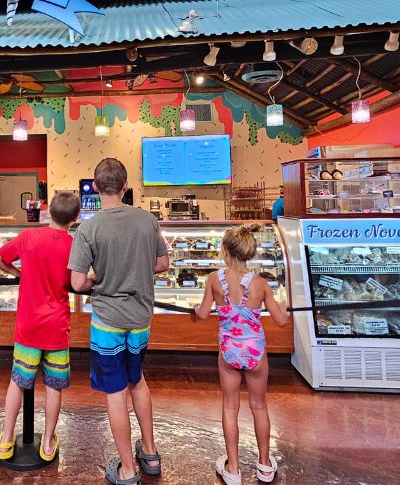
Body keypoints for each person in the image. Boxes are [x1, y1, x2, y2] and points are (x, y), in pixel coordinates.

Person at [69, 159, 169, 485]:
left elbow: (78, 282)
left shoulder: (88, 228)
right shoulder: (147, 220)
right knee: (137, 380)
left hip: (107, 321)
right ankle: (150, 453)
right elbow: (163, 264)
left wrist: (101, 276)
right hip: (141, 318)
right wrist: (137, 269)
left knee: (115, 392)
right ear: (125, 187)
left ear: (96, 188)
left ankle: (127, 470)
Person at [192, 224, 289, 485]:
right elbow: (281, 320)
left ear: (225, 251)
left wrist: (194, 308)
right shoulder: (261, 284)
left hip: (229, 351)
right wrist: (286, 307)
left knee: (230, 406)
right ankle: (265, 466)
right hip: (255, 351)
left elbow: (202, 314)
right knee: (259, 406)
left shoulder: (214, 279)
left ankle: (233, 469)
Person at [0, 192, 81, 463]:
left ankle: (7, 439)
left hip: (28, 327)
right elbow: (77, 282)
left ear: (48, 212)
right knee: (54, 386)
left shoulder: (29, 236)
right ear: (75, 219)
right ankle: (47, 442)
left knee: (18, 382)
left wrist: (19, 274)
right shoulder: (74, 245)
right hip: (57, 327)